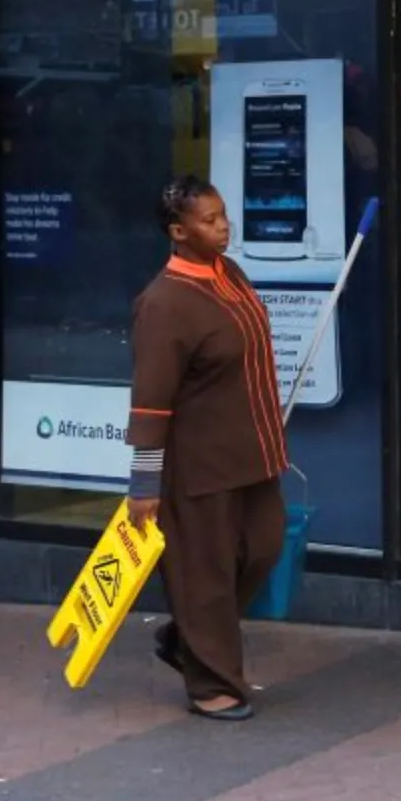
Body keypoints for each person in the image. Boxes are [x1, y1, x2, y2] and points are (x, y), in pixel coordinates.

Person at [124, 177, 288, 722]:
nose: (224, 227)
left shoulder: (230, 275)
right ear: (178, 231)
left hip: (254, 453)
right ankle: (210, 682)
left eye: (223, 216)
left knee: (263, 548)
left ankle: (186, 637)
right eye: (210, 220)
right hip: (198, 465)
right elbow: (150, 401)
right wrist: (144, 484)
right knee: (205, 575)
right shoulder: (163, 303)